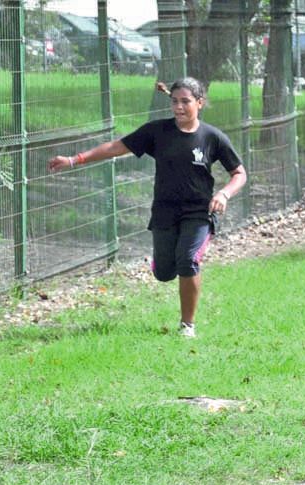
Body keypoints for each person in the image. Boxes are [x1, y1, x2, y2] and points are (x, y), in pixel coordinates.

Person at [47, 78, 246, 339]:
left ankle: (187, 325)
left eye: (185, 101)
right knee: (164, 273)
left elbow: (239, 173)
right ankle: (161, 262)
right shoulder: (157, 132)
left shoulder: (213, 137)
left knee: (188, 261)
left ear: (199, 103)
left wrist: (224, 193)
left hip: (198, 212)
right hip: (164, 211)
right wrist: (75, 159)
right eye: (175, 101)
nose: (179, 107)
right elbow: (116, 147)